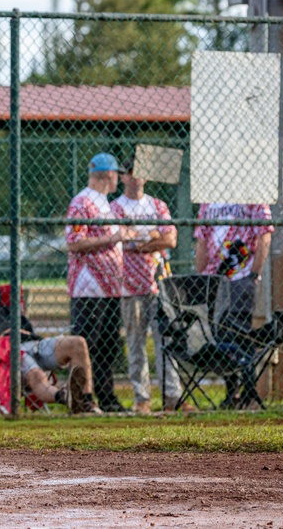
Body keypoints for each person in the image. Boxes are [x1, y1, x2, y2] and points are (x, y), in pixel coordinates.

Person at [0, 262, 100, 414]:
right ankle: (64, 396)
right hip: (9, 357)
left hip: (32, 345)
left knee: (78, 343)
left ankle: (87, 400)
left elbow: (29, 332)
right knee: (36, 375)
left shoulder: (8, 310)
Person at [109, 161, 184, 414]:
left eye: (140, 171)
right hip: (129, 285)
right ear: (122, 177)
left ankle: (173, 397)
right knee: (136, 342)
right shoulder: (115, 207)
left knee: (167, 340)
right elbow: (121, 238)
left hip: (159, 283)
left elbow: (170, 239)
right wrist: (153, 235)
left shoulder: (157, 205)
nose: (135, 177)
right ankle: (142, 398)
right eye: (129, 172)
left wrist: (141, 239)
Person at [65, 152, 135, 413]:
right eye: (116, 173)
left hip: (110, 287)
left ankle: (107, 397)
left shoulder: (105, 203)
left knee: (108, 344)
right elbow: (74, 241)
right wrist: (112, 238)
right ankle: (84, 398)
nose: (118, 178)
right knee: (89, 343)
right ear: (108, 174)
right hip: (88, 288)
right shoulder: (82, 202)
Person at [194, 201, 274, 407]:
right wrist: (202, 276)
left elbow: (265, 235)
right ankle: (232, 392)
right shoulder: (207, 200)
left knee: (240, 333)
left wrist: (254, 274)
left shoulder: (253, 196)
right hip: (214, 279)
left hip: (241, 275)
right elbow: (201, 240)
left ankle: (248, 390)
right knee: (221, 335)